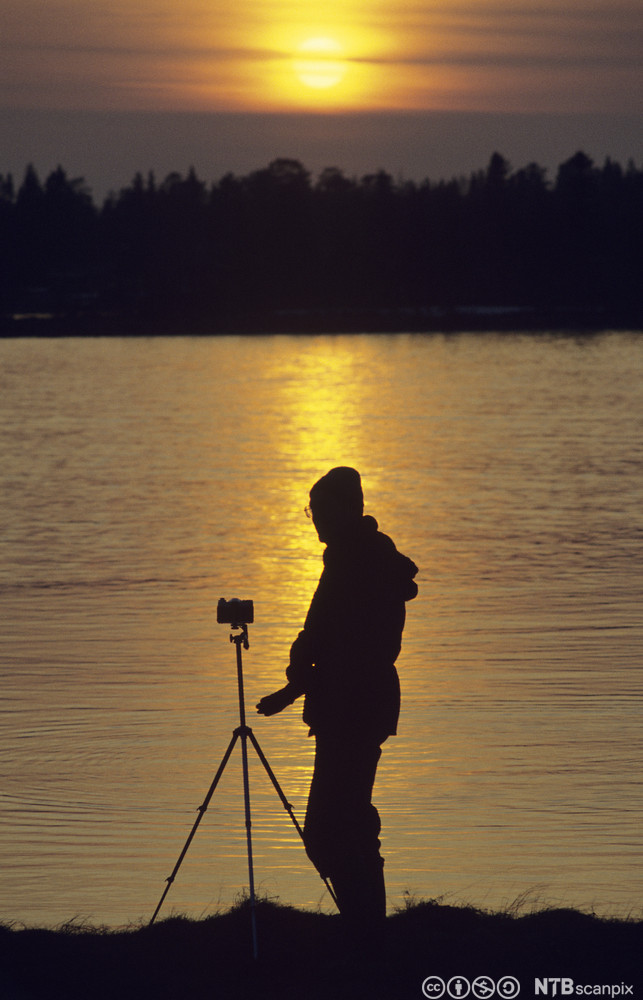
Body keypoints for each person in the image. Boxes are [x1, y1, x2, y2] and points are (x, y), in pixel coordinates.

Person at [256, 467, 418, 944]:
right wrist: (295, 686)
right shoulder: (349, 558)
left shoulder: (360, 562)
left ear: (348, 509)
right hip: (346, 704)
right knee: (342, 821)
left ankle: (367, 932)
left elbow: (350, 649)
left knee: (334, 825)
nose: (314, 521)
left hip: (355, 706)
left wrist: (299, 681)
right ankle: (365, 929)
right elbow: (330, 639)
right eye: (311, 511)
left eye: (320, 511)